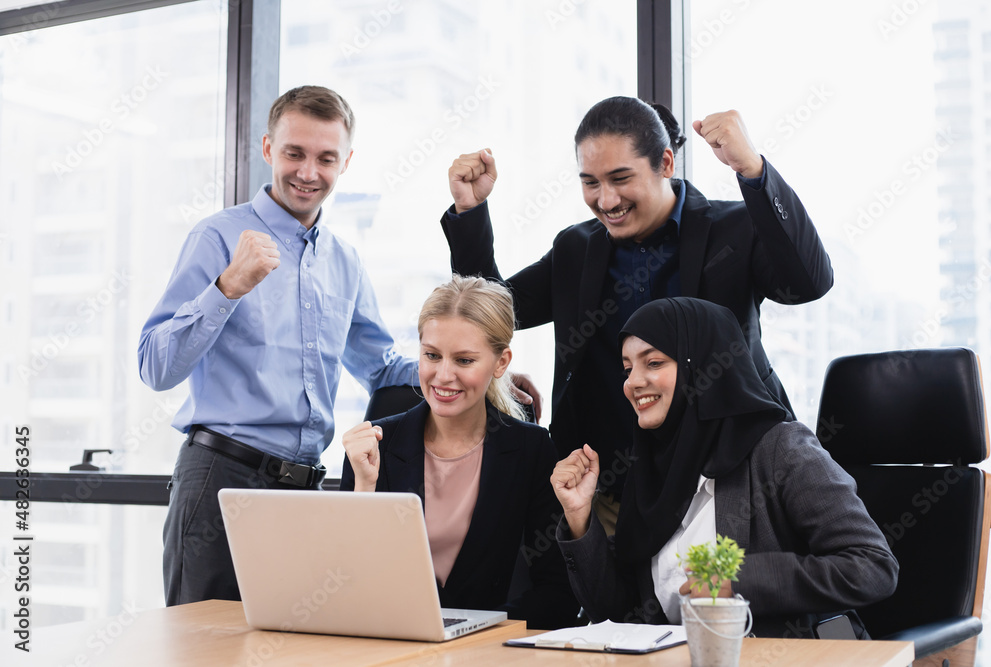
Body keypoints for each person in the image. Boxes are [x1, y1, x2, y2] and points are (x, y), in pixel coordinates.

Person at [440, 97, 834, 533]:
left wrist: (752, 170)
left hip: (729, 482)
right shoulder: (575, 249)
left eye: (620, 178)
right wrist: (469, 211)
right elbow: (487, 313)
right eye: (590, 183)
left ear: (665, 163)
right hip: (614, 491)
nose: (606, 200)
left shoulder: (734, 228)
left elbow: (809, 283)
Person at [138, 86, 418, 606]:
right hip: (221, 482)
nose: (308, 172)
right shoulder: (218, 238)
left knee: (292, 642)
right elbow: (156, 366)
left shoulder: (345, 260)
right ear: (268, 148)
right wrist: (227, 288)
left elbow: (381, 368)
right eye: (294, 153)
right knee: (202, 644)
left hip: (306, 493)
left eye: (326, 158)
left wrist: (472, 374)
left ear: (345, 162)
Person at [550, 297, 898, 638]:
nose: (632, 382)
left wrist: (738, 581)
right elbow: (614, 613)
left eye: (653, 363)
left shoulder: (780, 448)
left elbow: (873, 566)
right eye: (627, 369)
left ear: (700, 366)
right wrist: (579, 516)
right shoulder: (650, 472)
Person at [340, 275, 580, 630]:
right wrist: (364, 487)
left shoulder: (530, 450)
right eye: (432, 356)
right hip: (388, 639)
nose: (443, 375)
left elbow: (558, 594)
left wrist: (473, 631)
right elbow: (344, 586)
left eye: (464, 360)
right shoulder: (374, 445)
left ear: (501, 363)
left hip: (488, 648)